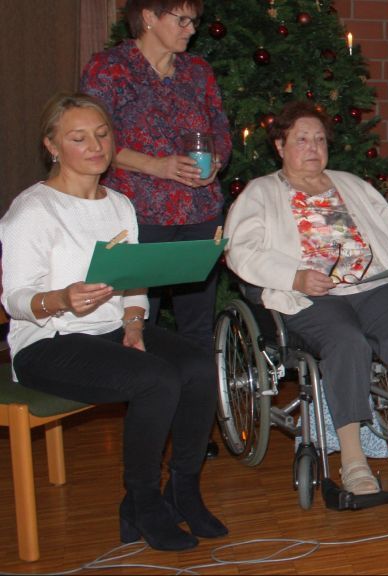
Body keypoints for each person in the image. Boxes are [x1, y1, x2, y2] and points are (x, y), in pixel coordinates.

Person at [0, 93, 225, 551]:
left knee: (200, 366)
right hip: (48, 341)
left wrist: (135, 323)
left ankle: (183, 489)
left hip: (109, 331)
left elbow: (133, 280)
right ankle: (141, 503)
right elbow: (16, 299)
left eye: (102, 135)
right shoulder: (32, 210)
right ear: (52, 147)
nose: (95, 146)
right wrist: (60, 298)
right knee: (157, 380)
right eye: (79, 138)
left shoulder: (120, 203)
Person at [224, 101, 388, 496]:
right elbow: (240, 251)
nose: (313, 147)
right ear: (280, 146)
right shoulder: (261, 193)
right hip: (312, 294)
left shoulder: (349, 184)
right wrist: (294, 276)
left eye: (319, 139)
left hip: (371, 284)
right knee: (345, 341)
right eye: (302, 139)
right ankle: (352, 459)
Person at [80, 0, 231, 347]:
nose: (191, 29)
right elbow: (94, 140)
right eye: (181, 20)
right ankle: (152, 394)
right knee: (139, 321)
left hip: (200, 212)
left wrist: (215, 162)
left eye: (194, 21)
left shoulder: (197, 71)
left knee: (196, 326)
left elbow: (220, 128)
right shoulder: (109, 69)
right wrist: (157, 165)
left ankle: (198, 397)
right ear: (148, 17)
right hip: (138, 214)